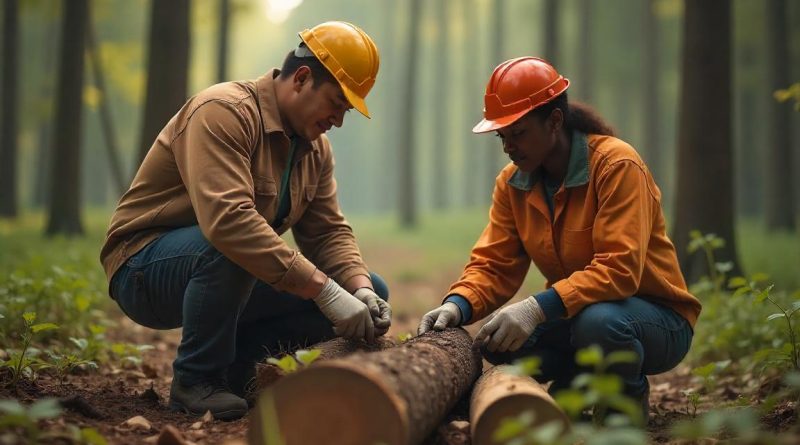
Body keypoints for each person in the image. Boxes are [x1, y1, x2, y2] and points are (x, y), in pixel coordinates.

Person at [100, 21, 391, 421]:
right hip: (144, 268)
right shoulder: (224, 111)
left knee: (372, 287)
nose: (338, 121)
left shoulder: (316, 150)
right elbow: (229, 222)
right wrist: (323, 290)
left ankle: (240, 372)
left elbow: (327, 232)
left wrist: (356, 289)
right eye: (336, 104)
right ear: (302, 78)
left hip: (228, 271)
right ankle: (196, 380)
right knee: (232, 249)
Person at [418, 57, 701, 424]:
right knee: (498, 341)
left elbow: (620, 269)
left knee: (599, 324)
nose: (508, 147)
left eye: (518, 133)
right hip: (578, 312)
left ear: (554, 121)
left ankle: (624, 415)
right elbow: (494, 264)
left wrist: (536, 308)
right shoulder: (512, 182)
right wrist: (458, 306)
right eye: (502, 136)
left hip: (657, 320)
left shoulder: (617, 165)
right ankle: (576, 383)